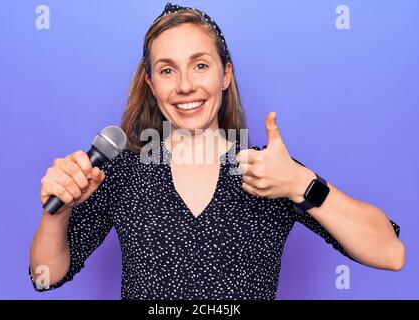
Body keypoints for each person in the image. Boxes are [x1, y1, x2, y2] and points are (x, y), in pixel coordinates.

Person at [29, 3, 405, 299]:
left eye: (201, 65)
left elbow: (390, 253)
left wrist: (300, 184)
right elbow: (46, 277)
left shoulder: (268, 169)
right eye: (167, 70)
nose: (186, 86)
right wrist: (57, 211)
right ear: (151, 83)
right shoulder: (125, 170)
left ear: (225, 74)